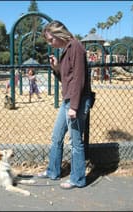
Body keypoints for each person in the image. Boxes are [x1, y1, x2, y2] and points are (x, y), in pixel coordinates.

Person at [37, 20, 92, 190]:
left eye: (51, 39)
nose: (50, 43)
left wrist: (74, 107)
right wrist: (56, 67)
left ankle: (78, 179)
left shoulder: (76, 47)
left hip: (76, 101)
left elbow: (79, 80)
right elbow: (66, 78)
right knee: (56, 137)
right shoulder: (66, 49)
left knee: (76, 142)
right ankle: (53, 171)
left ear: (59, 34)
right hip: (68, 99)